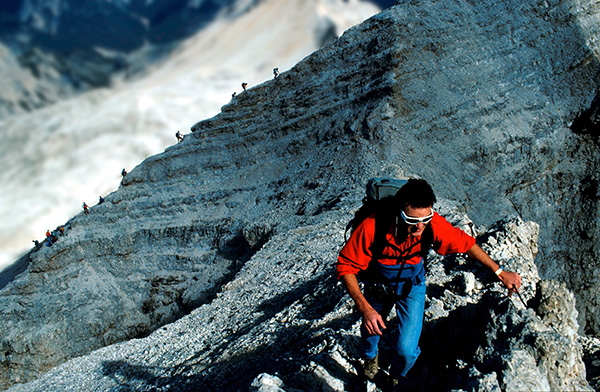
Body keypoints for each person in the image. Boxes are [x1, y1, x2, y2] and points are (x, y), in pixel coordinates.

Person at [336, 178, 521, 387]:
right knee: (371, 328)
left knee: (407, 350)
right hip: (379, 286)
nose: (420, 227)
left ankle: (395, 378)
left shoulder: (432, 225)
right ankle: (370, 360)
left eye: (426, 219)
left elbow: (466, 244)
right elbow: (346, 266)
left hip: (411, 285)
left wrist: (499, 271)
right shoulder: (373, 226)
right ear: (398, 211)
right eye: (412, 220)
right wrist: (365, 308)